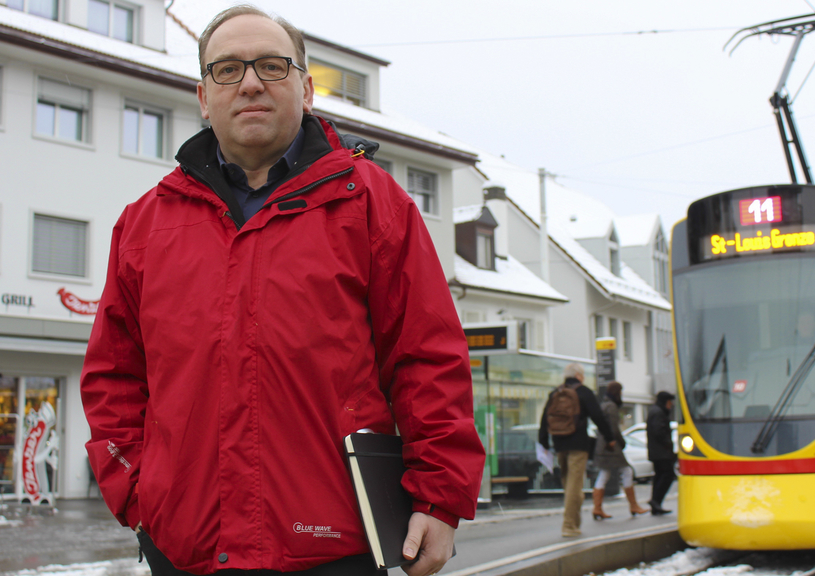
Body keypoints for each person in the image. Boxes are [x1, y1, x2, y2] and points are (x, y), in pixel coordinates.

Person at [80, 6, 484, 576]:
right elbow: (114, 378)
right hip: (186, 549)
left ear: (307, 89)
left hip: (335, 546)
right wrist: (140, 494)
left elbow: (427, 360)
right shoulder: (145, 224)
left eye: (272, 65)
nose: (249, 82)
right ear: (203, 96)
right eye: (227, 70)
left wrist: (439, 498)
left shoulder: (371, 204)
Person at [538, 363, 616, 537]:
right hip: (578, 445)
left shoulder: (555, 393)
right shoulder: (584, 392)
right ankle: (569, 526)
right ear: (579, 376)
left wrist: (543, 441)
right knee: (574, 485)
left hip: (559, 443)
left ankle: (575, 523)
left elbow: (544, 418)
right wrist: (610, 438)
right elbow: (598, 417)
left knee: (569, 484)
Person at [590, 382, 648, 520]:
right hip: (611, 446)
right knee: (626, 471)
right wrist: (621, 443)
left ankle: (597, 508)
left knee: (604, 474)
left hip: (602, 445)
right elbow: (614, 429)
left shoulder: (604, 405)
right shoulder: (612, 407)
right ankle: (633, 505)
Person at [647, 391, 678, 516]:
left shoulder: (655, 411)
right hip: (662, 452)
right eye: (669, 402)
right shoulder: (659, 413)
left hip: (657, 452)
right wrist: (668, 445)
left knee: (659, 476)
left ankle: (656, 503)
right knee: (667, 475)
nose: (671, 405)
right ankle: (656, 501)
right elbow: (659, 432)